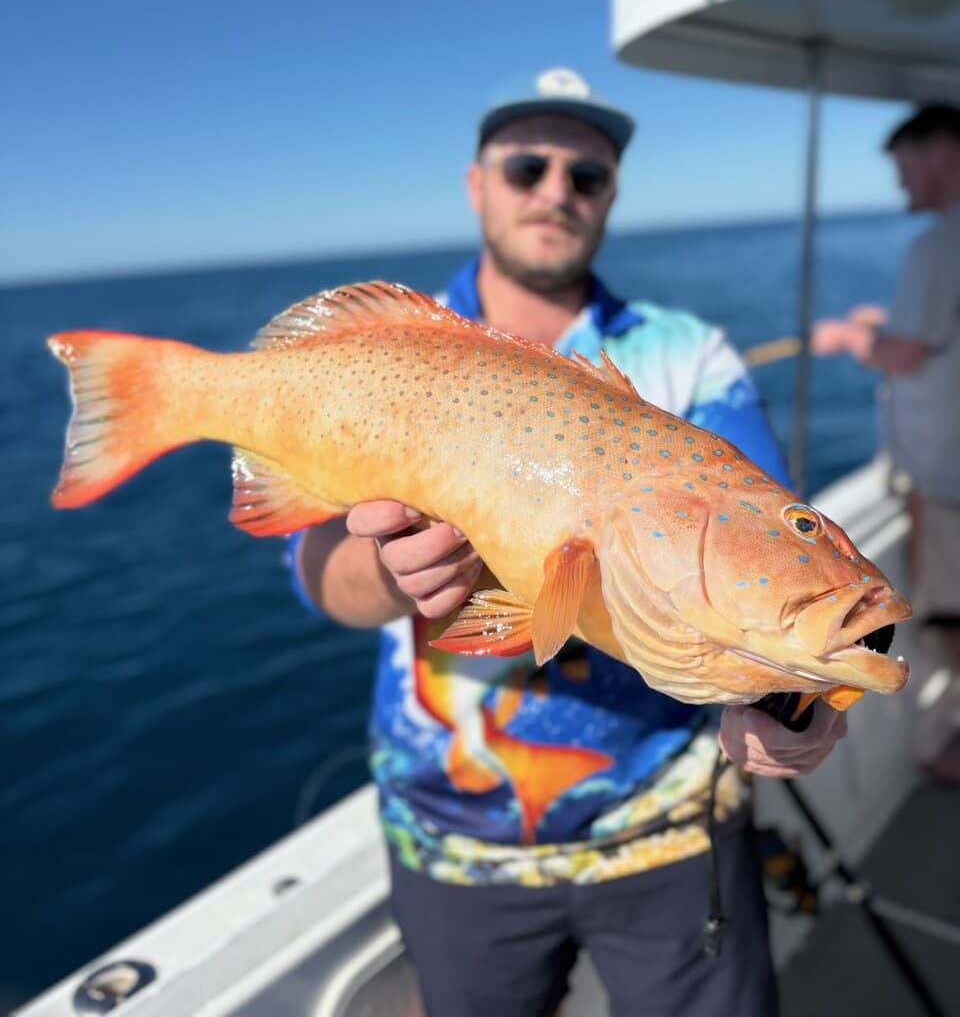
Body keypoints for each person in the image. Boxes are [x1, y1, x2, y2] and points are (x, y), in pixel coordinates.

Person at [290, 69, 847, 1016]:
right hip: (454, 842)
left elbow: (765, 549)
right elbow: (315, 577)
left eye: (586, 175)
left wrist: (795, 698)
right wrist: (388, 571)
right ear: (478, 183)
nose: (557, 190)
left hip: (673, 829)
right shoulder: (392, 352)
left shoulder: (688, 354)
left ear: (611, 195)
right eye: (527, 166)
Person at [812, 103, 960, 782]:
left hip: (949, 478)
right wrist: (885, 325)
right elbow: (932, 335)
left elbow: (902, 355)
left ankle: (949, 748)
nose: (901, 184)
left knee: (949, 618)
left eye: (906, 168)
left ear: (946, 156)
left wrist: (850, 339)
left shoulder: (939, 242)